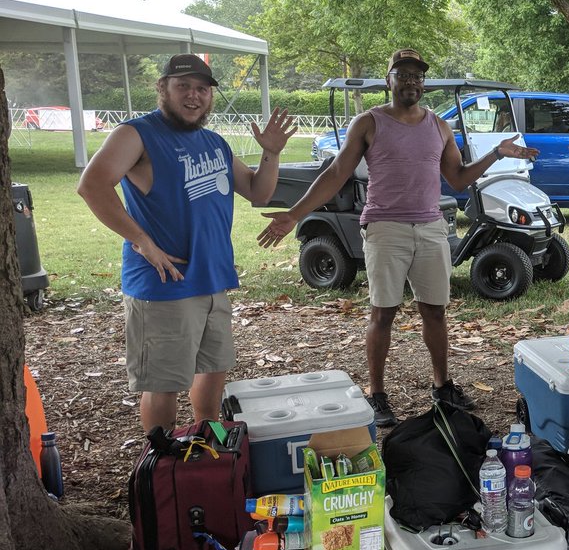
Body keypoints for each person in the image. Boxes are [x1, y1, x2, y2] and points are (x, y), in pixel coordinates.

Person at [257, 49, 537, 427]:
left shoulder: (439, 125)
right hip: (385, 228)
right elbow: (337, 173)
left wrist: (495, 154)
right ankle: (376, 394)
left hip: (430, 227)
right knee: (383, 313)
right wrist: (295, 213)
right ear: (388, 80)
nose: (411, 82)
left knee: (435, 310)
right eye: (403, 75)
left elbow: (457, 179)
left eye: (418, 76)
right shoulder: (369, 122)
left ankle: (442, 386)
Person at [77, 53, 296, 433]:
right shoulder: (137, 134)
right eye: (183, 87)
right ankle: (160, 467)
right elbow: (92, 185)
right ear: (162, 88)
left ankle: (204, 443)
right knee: (164, 384)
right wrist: (142, 241)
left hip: (212, 278)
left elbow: (259, 191)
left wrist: (272, 153)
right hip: (164, 284)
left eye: (202, 89)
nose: (194, 96)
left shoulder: (213, 142)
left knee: (213, 369)